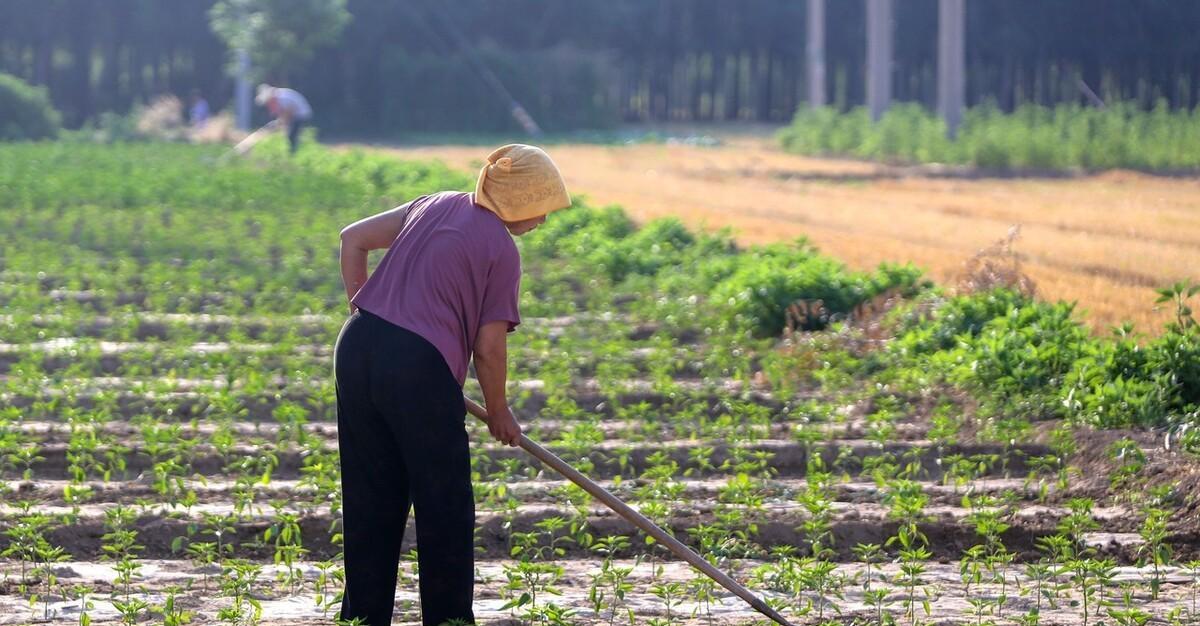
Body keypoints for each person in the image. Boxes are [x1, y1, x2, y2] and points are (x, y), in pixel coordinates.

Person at [335, 144, 571, 626]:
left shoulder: (435, 202)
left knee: (371, 500)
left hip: (356, 348)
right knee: (444, 505)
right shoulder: (501, 250)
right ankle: (448, 623)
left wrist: (366, 308)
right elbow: (488, 348)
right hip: (417, 367)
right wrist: (500, 410)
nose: (544, 219)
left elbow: (352, 238)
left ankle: (362, 619)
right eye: (542, 207)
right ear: (521, 199)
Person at [255, 83, 312, 154]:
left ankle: (294, 153)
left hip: (301, 115)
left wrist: (280, 123)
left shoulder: (282, 98)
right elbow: (282, 114)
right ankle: (293, 151)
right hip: (294, 115)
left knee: (292, 136)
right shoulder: (277, 97)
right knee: (290, 136)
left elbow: (289, 112)